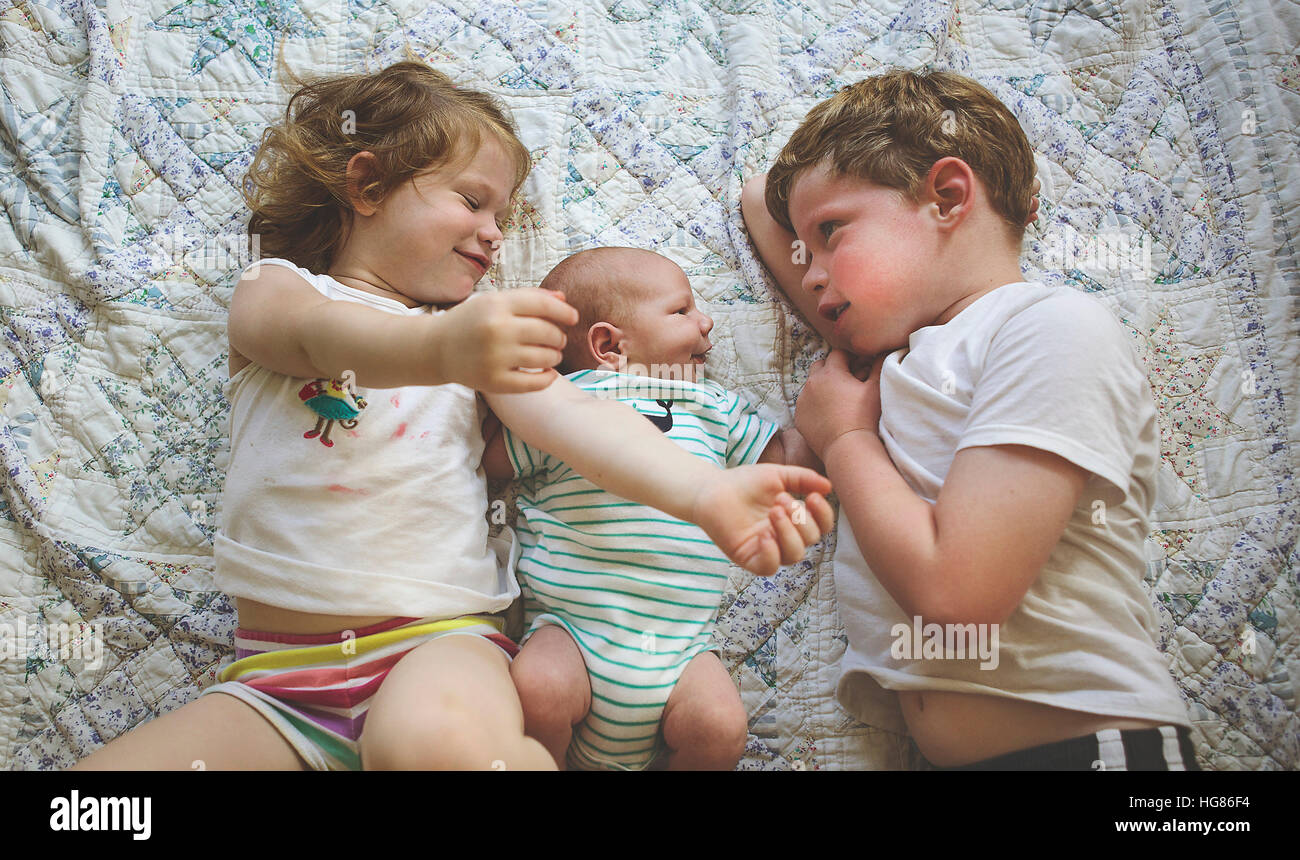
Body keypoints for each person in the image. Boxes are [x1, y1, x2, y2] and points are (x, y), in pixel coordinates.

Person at [72, 61, 833, 771]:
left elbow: (584, 427)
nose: (496, 232)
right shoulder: (281, 291)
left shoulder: (482, 343)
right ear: (366, 185)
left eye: (503, 213)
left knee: (432, 747)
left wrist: (703, 494)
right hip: (276, 683)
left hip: (438, 647)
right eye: (472, 201)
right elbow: (317, 339)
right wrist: (444, 345)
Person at [740, 68, 1197, 770]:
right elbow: (759, 200)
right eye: (806, 250)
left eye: (832, 233)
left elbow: (959, 598)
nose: (811, 275)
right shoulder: (897, 354)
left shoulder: (1049, 328)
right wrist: (814, 205)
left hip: (1093, 753)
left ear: (948, 196)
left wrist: (848, 438)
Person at [481, 247, 820, 770]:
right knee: (537, 690)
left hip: (682, 648)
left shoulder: (715, 405)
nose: (706, 322)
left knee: (721, 727)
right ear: (608, 344)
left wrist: (832, 408)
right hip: (572, 631)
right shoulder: (564, 405)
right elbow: (494, 460)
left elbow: (784, 458)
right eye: (682, 310)